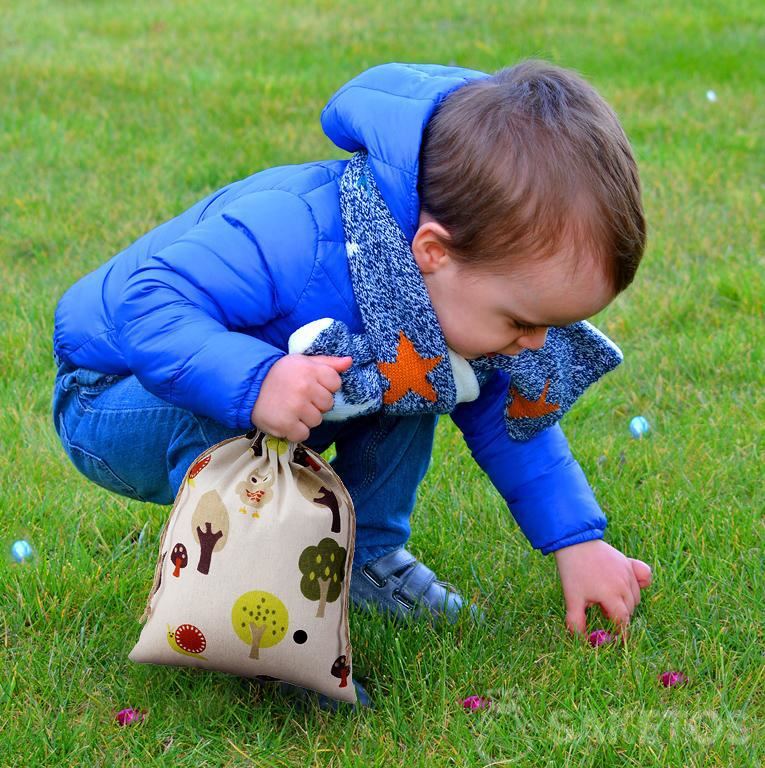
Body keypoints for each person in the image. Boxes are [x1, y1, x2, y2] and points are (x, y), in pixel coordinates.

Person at [52, 61, 652, 659]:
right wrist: (256, 382)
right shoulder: (294, 232)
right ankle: (249, 599)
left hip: (277, 380)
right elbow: (147, 307)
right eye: (523, 321)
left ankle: (364, 560)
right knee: (317, 389)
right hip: (114, 392)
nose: (537, 344)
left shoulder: (447, 290)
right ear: (434, 251)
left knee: (423, 372)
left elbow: (507, 413)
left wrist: (577, 541)